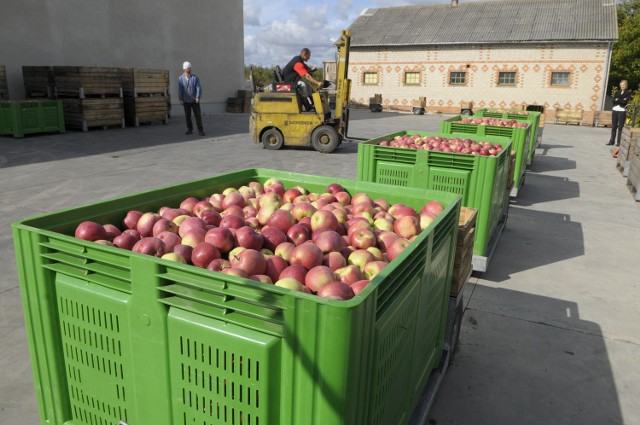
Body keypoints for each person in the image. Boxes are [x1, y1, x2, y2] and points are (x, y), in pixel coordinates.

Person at [178, 61, 205, 136]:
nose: (189, 69)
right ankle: (190, 129)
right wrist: (180, 99)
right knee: (187, 116)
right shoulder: (180, 79)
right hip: (186, 100)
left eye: (190, 68)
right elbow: (180, 89)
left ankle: (200, 130)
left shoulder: (195, 77)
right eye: (188, 68)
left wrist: (197, 97)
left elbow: (198, 87)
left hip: (194, 100)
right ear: (184, 69)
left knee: (197, 116)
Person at [607, 80, 631, 146]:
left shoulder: (628, 93)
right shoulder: (617, 92)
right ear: (620, 85)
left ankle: (618, 142)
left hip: (622, 111)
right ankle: (611, 141)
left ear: (626, 86)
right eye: (621, 85)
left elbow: (625, 102)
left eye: (624, 85)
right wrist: (620, 100)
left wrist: (618, 100)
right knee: (614, 126)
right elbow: (613, 100)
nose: (622, 86)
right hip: (615, 110)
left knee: (620, 127)